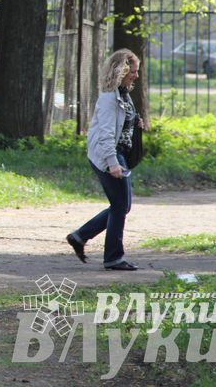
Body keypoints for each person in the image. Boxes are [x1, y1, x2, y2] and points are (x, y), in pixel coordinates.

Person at [66, 49, 144, 271]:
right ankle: (112, 257)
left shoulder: (123, 94)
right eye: (133, 72)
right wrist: (112, 162)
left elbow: (121, 124)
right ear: (122, 70)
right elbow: (106, 134)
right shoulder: (110, 98)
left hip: (118, 153)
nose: (136, 76)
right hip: (108, 154)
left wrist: (135, 124)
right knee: (120, 205)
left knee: (121, 205)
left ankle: (80, 236)